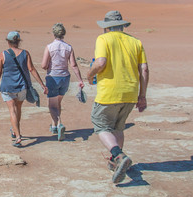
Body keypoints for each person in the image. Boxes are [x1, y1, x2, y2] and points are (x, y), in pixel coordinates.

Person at [86, 11, 149, 184]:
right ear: (123, 25)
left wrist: (89, 75)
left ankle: (118, 155)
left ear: (106, 27)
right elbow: (144, 69)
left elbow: (100, 63)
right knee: (118, 127)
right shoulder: (136, 42)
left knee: (101, 126)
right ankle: (117, 162)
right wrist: (142, 95)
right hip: (130, 92)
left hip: (109, 92)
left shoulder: (103, 39)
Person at [0, 31, 48, 148]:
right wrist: (42, 84)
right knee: (18, 108)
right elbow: (32, 69)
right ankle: (15, 130)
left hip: (7, 87)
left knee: (12, 111)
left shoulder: (3, 54)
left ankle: (17, 136)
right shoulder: (25, 53)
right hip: (22, 87)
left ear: (8, 41)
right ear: (18, 41)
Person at [41, 23, 85, 141]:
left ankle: (60, 124)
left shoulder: (49, 47)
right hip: (65, 78)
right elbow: (74, 65)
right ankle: (54, 126)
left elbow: (44, 65)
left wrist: (49, 65)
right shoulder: (69, 47)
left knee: (51, 105)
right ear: (63, 33)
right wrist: (80, 80)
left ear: (53, 33)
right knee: (58, 103)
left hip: (52, 78)